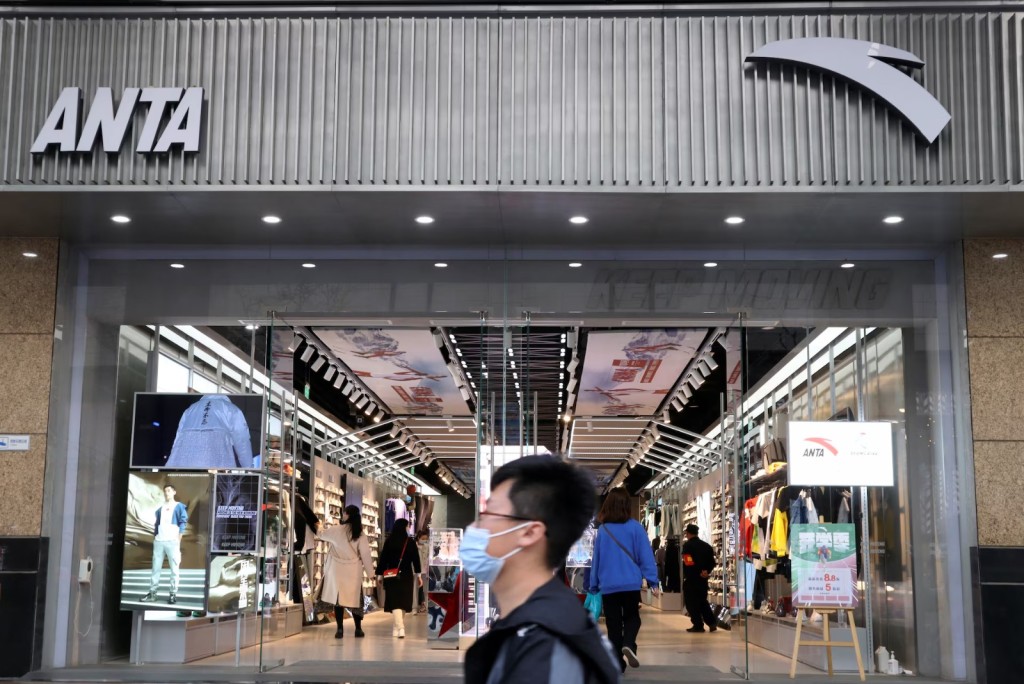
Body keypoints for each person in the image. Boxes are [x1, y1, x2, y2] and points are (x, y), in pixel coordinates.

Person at [463, 455, 620, 684]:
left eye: (488, 514)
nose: (475, 527)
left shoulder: (544, 647)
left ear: (529, 532)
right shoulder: (542, 626)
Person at [589, 487, 660, 673]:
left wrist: (593, 584)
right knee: (632, 617)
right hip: (630, 583)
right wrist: (653, 581)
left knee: (613, 624)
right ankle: (628, 643)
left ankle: (617, 663)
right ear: (627, 505)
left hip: (609, 585)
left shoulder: (603, 530)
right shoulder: (636, 528)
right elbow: (646, 557)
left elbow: (597, 559)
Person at [318, 505, 374, 638]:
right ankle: (358, 629)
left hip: (337, 570)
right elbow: (366, 554)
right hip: (353, 571)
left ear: (347, 515)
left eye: (344, 513)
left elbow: (321, 534)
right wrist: (371, 574)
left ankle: (340, 629)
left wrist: (319, 526)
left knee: (339, 601)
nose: (342, 515)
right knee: (355, 601)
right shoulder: (360, 533)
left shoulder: (336, 530)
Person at [165, 394, 256, 469]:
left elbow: (178, 438)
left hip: (183, 463)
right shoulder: (231, 409)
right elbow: (242, 440)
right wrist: (248, 467)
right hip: (215, 461)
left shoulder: (190, 409)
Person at [140, 484, 188, 605]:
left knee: (174, 569)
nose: (167, 493)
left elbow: (183, 522)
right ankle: (152, 594)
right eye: (165, 491)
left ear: (174, 492)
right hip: (159, 542)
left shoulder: (179, 506)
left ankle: (173, 594)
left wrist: (178, 539)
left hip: (172, 541)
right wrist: (156, 538)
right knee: (155, 568)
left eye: (169, 490)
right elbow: (157, 525)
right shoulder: (160, 509)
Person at [376, 518, 421, 638]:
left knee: (395, 601)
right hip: (406, 575)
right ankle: (401, 628)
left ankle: (396, 628)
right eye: (407, 526)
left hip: (391, 575)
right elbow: (416, 560)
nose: (408, 528)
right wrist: (418, 575)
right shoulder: (410, 542)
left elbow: (383, 559)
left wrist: (379, 575)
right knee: (403, 602)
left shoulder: (389, 541)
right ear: (404, 527)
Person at [681, 523, 719, 633]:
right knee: (702, 601)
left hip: (692, 579)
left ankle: (698, 624)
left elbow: (688, 562)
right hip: (703, 579)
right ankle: (712, 623)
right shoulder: (707, 546)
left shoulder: (687, 546)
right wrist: (706, 571)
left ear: (688, 533)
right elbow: (712, 562)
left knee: (691, 603)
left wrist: (696, 573)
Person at [415, 529, 430, 613]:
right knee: (417, 588)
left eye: (426, 539)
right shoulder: (414, 546)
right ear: (418, 538)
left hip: (425, 570)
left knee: (423, 589)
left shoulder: (427, 547)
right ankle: (416, 605)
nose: (424, 540)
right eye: (423, 539)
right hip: (416, 571)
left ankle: (423, 604)